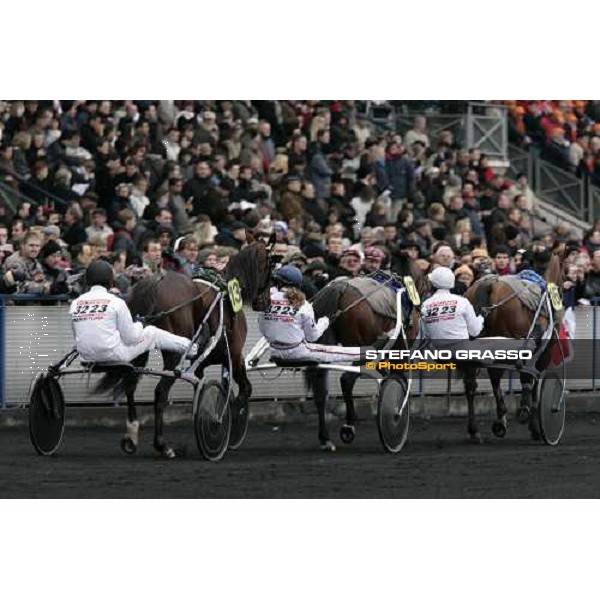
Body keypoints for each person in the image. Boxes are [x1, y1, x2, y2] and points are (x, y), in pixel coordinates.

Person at [69, 260, 195, 363]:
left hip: (85, 357)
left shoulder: (75, 304)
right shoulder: (115, 302)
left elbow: (78, 335)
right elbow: (131, 338)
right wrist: (140, 324)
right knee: (152, 333)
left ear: (88, 280)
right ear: (110, 280)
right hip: (114, 355)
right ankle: (192, 348)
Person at [258, 265, 362, 363]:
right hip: (298, 353)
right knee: (343, 352)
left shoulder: (266, 302)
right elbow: (312, 337)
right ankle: (375, 353)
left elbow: (263, 329)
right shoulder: (304, 305)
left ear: (278, 283)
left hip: (274, 352)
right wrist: (324, 322)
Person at [421, 267, 483, 341]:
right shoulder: (462, 302)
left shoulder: (425, 305)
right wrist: (481, 318)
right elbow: (474, 332)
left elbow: (423, 334)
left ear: (432, 283)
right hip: (462, 349)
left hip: (436, 350)